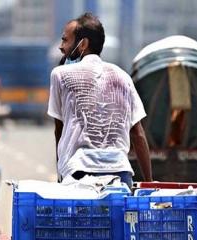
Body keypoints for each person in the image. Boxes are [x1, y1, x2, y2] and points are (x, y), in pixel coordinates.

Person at [48, 13, 152, 187]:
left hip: (78, 173)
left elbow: (59, 130)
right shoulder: (123, 77)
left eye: (65, 41)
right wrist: (149, 181)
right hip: (120, 174)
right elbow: (138, 134)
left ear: (83, 44)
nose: (61, 47)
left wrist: (61, 174)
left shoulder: (60, 75)